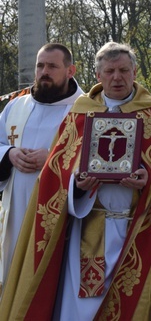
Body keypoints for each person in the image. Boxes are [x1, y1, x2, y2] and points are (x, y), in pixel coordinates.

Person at [0, 42, 151, 319]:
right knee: (79, 309)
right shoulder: (79, 112)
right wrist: (76, 185)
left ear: (135, 72)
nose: (117, 77)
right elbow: (57, 173)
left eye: (124, 70)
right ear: (98, 75)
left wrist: (148, 179)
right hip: (84, 230)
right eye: (109, 71)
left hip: (134, 230)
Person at [0, 44, 83, 291]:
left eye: (52, 66)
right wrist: (9, 153)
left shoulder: (86, 109)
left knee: (53, 288)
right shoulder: (16, 107)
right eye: (40, 66)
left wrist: (53, 157)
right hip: (15, 212)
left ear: (70, 70)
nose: (44, 72)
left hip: (61, 215)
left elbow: (96, 160)